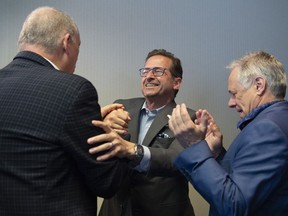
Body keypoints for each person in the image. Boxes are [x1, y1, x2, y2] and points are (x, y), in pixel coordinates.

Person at [0, 6, 128, 216]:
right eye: (79, 46)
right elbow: (107, 182)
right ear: (67, 42)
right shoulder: (75, 90)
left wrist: (90, 120)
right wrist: (117, 133)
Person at [168, 51, 288, 216]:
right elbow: (243, 184)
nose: (230, 103)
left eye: (234, 93)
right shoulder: (275, 121)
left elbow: (234, 206)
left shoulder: (267, 128)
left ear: (259, 85)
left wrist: (194, 145)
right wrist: (216, 154)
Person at [88, 49, 196, 216]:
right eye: (145, 71)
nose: (149, 76)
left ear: (177, 83)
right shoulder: (121, 108)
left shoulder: (187, 117)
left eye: (158, 71)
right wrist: (101, 124)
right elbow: (95, 150)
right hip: (116, 209)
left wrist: (132, 150)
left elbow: (177, 161)